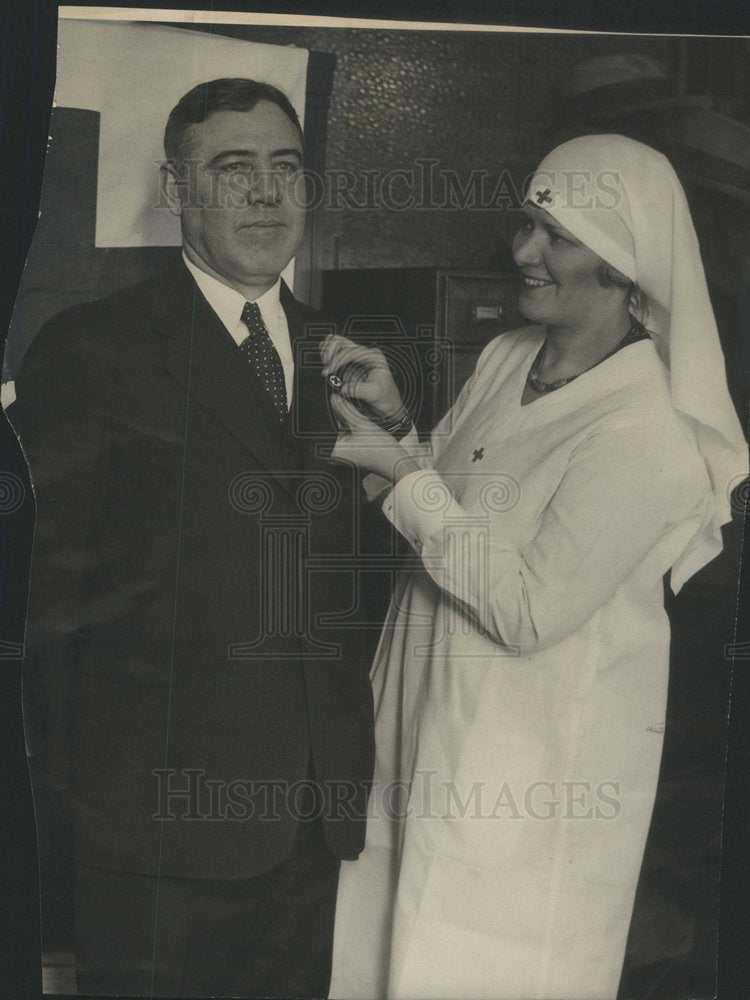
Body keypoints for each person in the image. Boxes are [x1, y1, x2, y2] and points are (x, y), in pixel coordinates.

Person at [321, 134, 748, 999]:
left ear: (623, 262)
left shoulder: (648, 428)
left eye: (556, 234)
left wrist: (405, 474)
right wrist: (402, 429)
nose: (523, 251)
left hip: (531, 777)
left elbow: (527, 611)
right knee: (382, 959)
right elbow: (446, 514)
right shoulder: (507, 356)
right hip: (420, 727)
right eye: (526, 224)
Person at [10, 78, 374, 998]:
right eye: (233, 169)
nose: (266, 194)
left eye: (286, 169)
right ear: (177, 191)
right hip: (152, 831)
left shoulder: (349, 359)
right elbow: (42, 605)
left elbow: (364, 587)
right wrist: (73, 808)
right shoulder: (93, 347)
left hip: (309, 820)